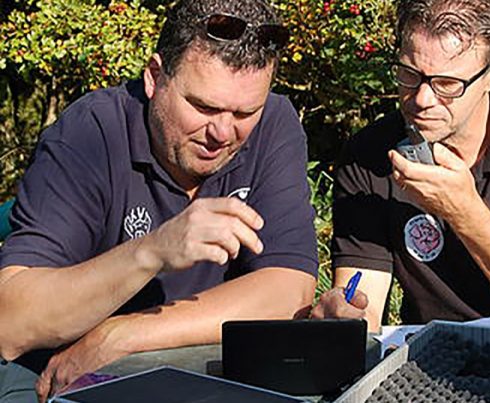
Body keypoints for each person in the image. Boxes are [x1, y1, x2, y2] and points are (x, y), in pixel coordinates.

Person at [0, 0, 318, 400]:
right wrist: (152, 252)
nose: (222, 133)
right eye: (203, 106)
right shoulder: (90, 133)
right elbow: (11, 323)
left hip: (188, 366)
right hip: (57, 374)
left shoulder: (274, 123)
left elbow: (288, 290)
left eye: (244, 113)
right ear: (154, 77)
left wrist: (125, 335)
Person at [312, 0, 490, 333]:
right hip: (428, 354)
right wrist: (346, 320)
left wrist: (465, 211)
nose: (422, 99)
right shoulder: (370, 154)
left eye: (447, 84)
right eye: (409, 74)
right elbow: (365, 304)